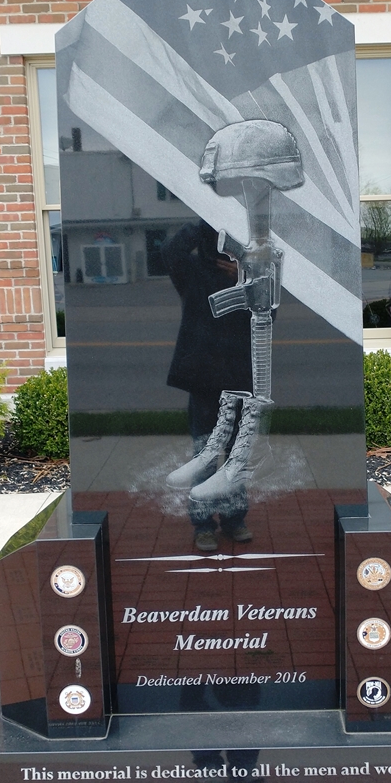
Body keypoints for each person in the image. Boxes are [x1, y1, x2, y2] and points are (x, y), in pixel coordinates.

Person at [162, 220, 254, 552]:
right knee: (205, 452)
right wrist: (203, 218)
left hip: (240, 376)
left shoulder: (248, 277)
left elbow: (269, 313)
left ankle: (233, 519)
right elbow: (171, 251)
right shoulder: (191, 273)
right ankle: (203, 524)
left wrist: (244, 276)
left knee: (235, 455)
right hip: (203, 378)